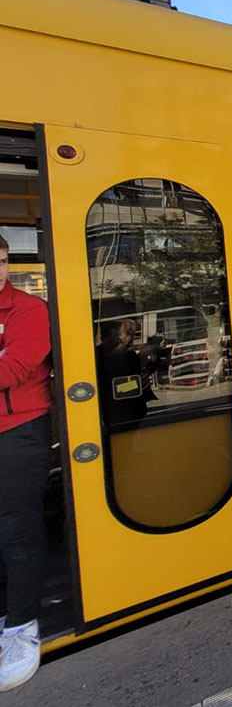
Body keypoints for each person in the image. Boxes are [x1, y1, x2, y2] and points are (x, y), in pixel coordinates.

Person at [0, 236, 54, 692]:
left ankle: (20, 625)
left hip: (17, 433)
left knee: (17, 529)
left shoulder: (28, 310)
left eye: (0, 262)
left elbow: (14, 369)